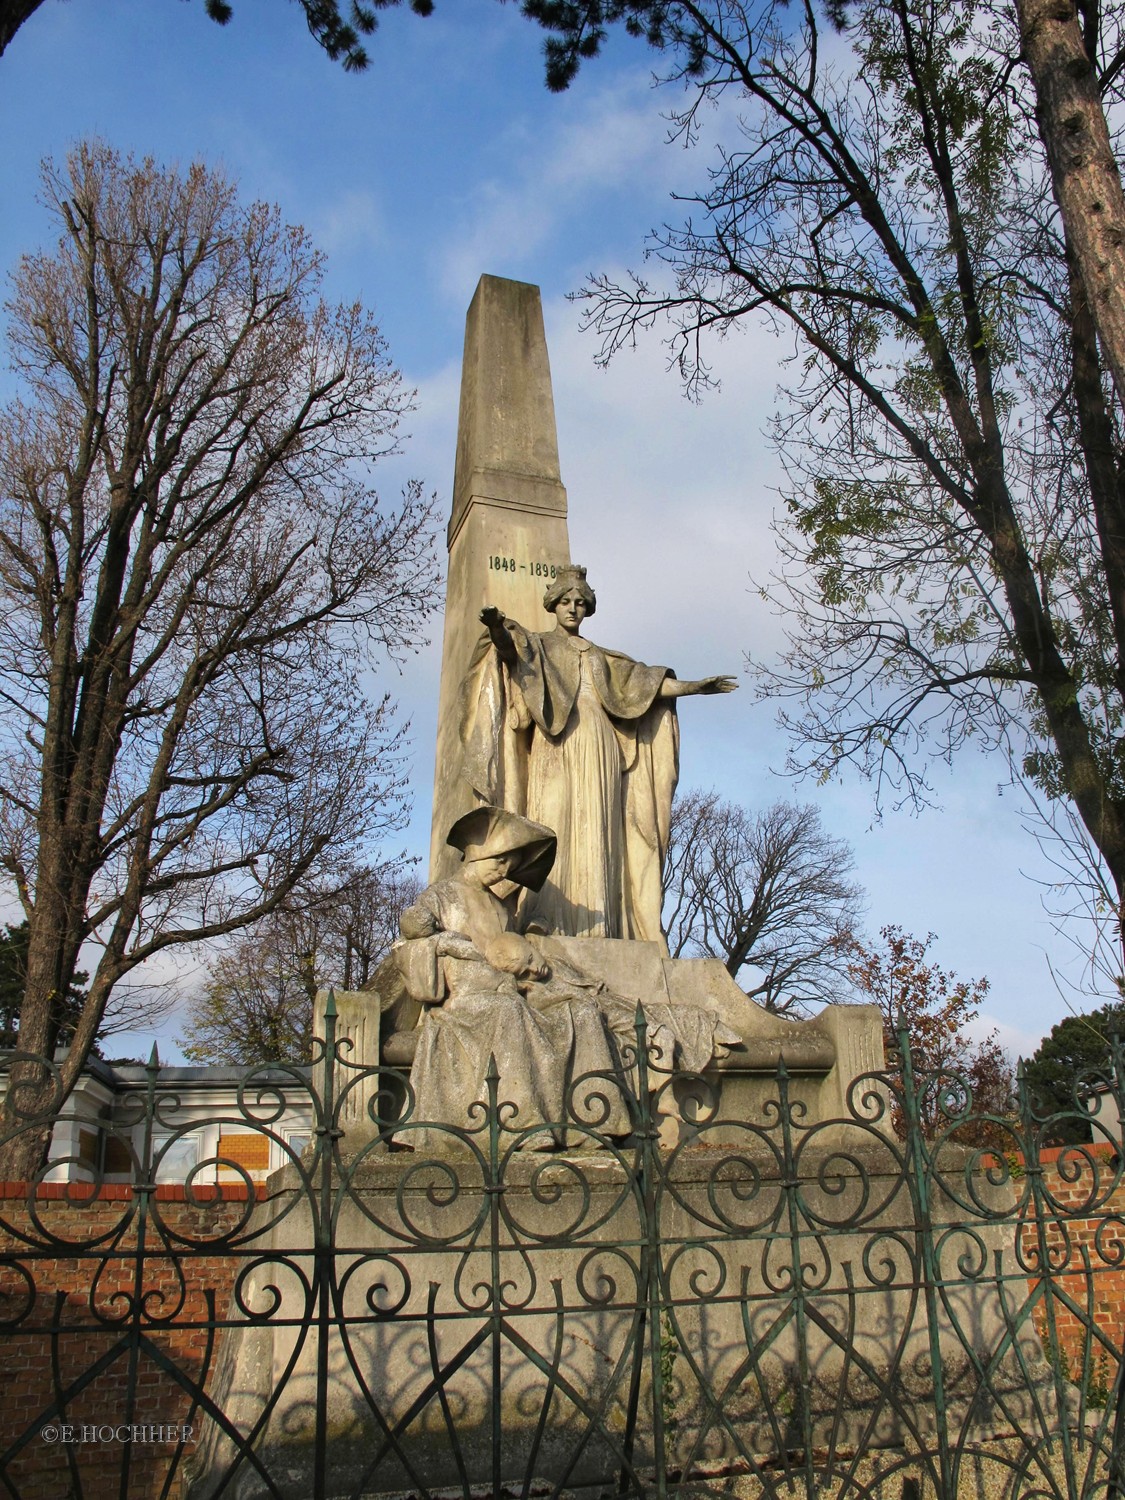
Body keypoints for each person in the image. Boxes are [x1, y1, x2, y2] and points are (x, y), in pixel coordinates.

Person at [460, 564, 736, 947]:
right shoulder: (537, 645)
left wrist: (696, 687)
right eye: (565, 602)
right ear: (553, 605)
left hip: (600, 743)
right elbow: (510, 651)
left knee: (598, 828)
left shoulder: (603, 657)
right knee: (551, 819)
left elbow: (646, 687)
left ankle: (598, 927)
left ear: (587, 607)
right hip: (554, 744)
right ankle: (542, 915)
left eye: (579, 602)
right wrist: (494, 628)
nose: (572, 608)